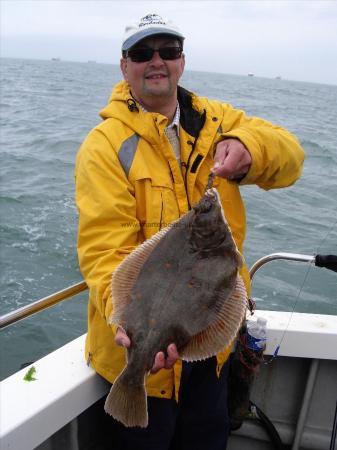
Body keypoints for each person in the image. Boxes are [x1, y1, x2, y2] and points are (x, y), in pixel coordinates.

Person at [75, 13, 305, 450]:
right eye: (143, 53)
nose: (157, 61)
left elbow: (291, 158)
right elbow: (105, 249)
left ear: (182, 61)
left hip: (211, 354)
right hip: (139, 348)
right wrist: (126, 324)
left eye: (169, 50)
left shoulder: (219, 121)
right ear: (125, 67)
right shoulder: (105, 145)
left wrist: (250, 149)